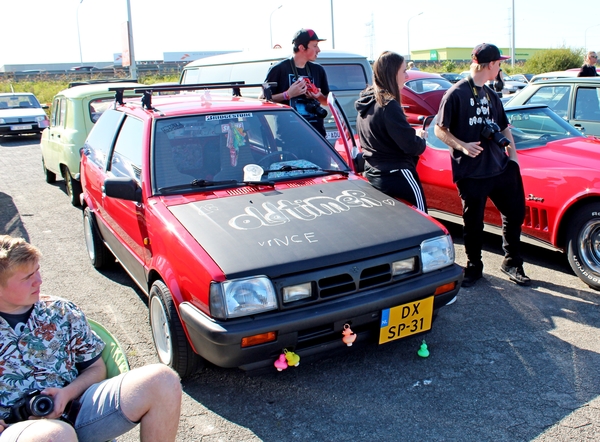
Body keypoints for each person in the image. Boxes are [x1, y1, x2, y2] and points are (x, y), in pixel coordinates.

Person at [0, 235, 182, 442]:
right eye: (27, 278)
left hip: (77, 410)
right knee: (56, 434)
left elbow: (96, 368)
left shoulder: (61, 311)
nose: (39, 281)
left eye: (37, 271)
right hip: (14, 429)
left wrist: (67, 393)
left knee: (163, 380)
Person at [434, 43, 530, 288]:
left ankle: (512, 261)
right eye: (499, 63)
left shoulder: (491, 94)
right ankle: (474, 266)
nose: (501, 68)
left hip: (500, 166)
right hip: (472, 172)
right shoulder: (455, 94)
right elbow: (439, 129)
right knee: (473, 223)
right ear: (489, 65)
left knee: (515, 213)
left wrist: (514, 157)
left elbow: (504, 125)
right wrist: (462, 146)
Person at [355, 51, 428, 212]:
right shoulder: (388, 104)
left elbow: (382, 137)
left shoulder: (365, 104)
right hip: (398, 175)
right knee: (426, 224)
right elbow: (410, 146)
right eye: (403, 71)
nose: (407, 76)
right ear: (392, 73)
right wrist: (420, 140)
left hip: (374, 175)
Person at [264, 28, 330, 137]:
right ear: (301, 47)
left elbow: (326, 102)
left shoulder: (318, 70)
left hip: (317, 136)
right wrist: (287, 95)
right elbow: (263, 99)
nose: (318, 50)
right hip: (290, 137)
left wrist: (318, 95)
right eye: (315, 46)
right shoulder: (278, 69)